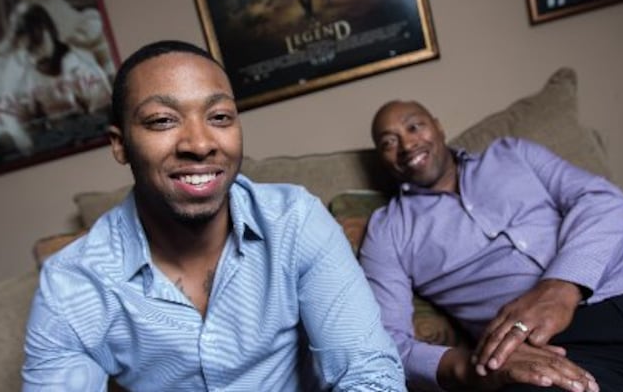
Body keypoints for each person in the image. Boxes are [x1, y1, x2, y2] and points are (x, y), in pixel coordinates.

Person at [22, 40, 406, 391]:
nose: (201, 144)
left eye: (220, 117)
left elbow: (368, 373)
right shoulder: (72, 284)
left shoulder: (296, 222)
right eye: (162, 120)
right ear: (120, 145)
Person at [360, 99, 623, 392]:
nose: (407, 143)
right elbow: (386, 342)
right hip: (558, 355)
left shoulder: (513, 154)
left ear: (438, 125)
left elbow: (605, 201)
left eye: (414, 126)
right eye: (388, 141)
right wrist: (470, 367)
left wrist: (562, 287)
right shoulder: (387, 231)